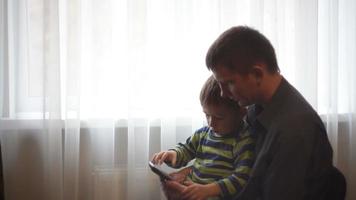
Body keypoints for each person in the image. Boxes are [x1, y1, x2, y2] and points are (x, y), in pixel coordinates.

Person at [204, 26, 334, 200]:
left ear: (257, 74)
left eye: (229, 83)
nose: (223, 93)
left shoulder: (294, 130)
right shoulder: (255, 108)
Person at [151, 75, 256, 200]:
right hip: (192, 189)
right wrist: (173, 155)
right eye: (207, 115)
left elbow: (241, 179)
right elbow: (185, 149)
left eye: (219, 117)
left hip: (213, 194)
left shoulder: (243, 140)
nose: (211, 123)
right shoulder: (203, 134)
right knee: (169, 184)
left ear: (241, 113)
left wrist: (207, 190)